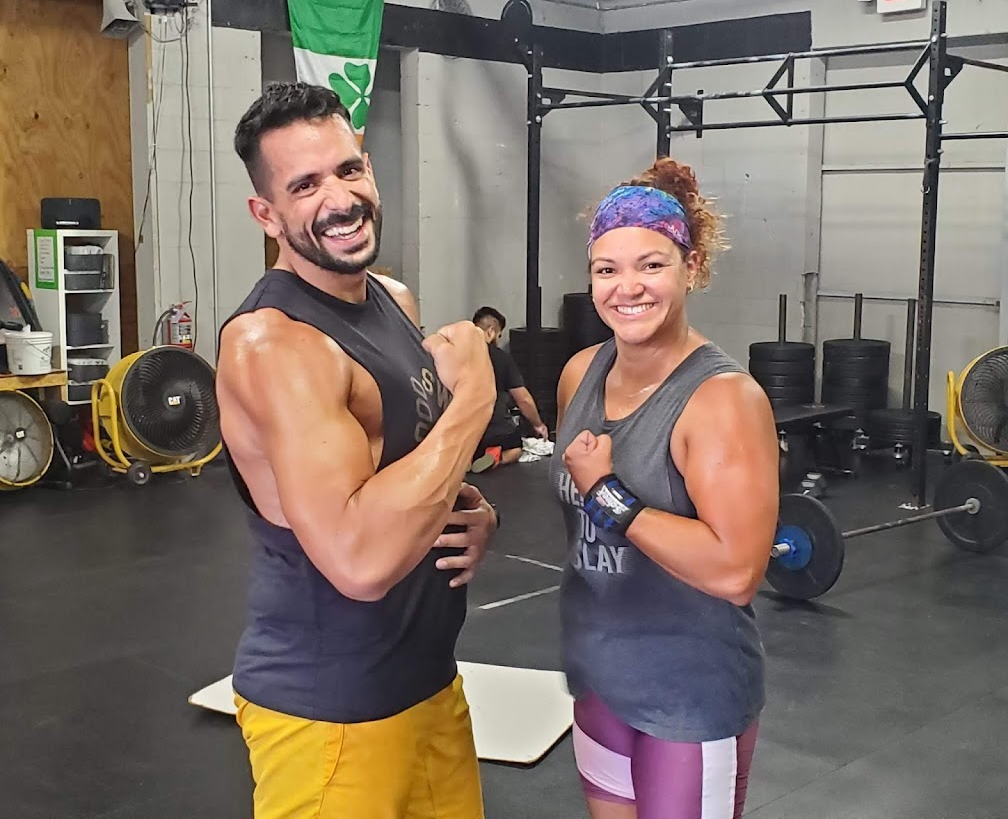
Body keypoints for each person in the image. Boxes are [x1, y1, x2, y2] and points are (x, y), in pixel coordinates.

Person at [215, 81, 499, 819]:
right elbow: (360, 561)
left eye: (348, 169)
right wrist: (477, 398)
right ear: (266, 215)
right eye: (305, 185)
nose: (339, 200)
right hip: (330, 715)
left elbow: (407, 468)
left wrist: (469, 511)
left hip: (429, 685)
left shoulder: (392, 299)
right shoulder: (274, 344)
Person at [551, 158, 779, 819]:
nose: (627, 288)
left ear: (691, 266)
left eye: (651, 265)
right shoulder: (580, 374)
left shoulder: (722, 400)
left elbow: (735, 572)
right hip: (600, 679)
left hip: (689, 694)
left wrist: (608, 493)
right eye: (607, 270)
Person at [469, 305, 549, 472]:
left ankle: (466, 459)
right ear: (491, 332)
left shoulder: (455, 355)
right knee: (516, 448)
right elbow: (523, 399)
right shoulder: (501, 358)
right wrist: (538, 424)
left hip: (465, 434)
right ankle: (497, 457)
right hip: (495, 431)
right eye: (499, 335)